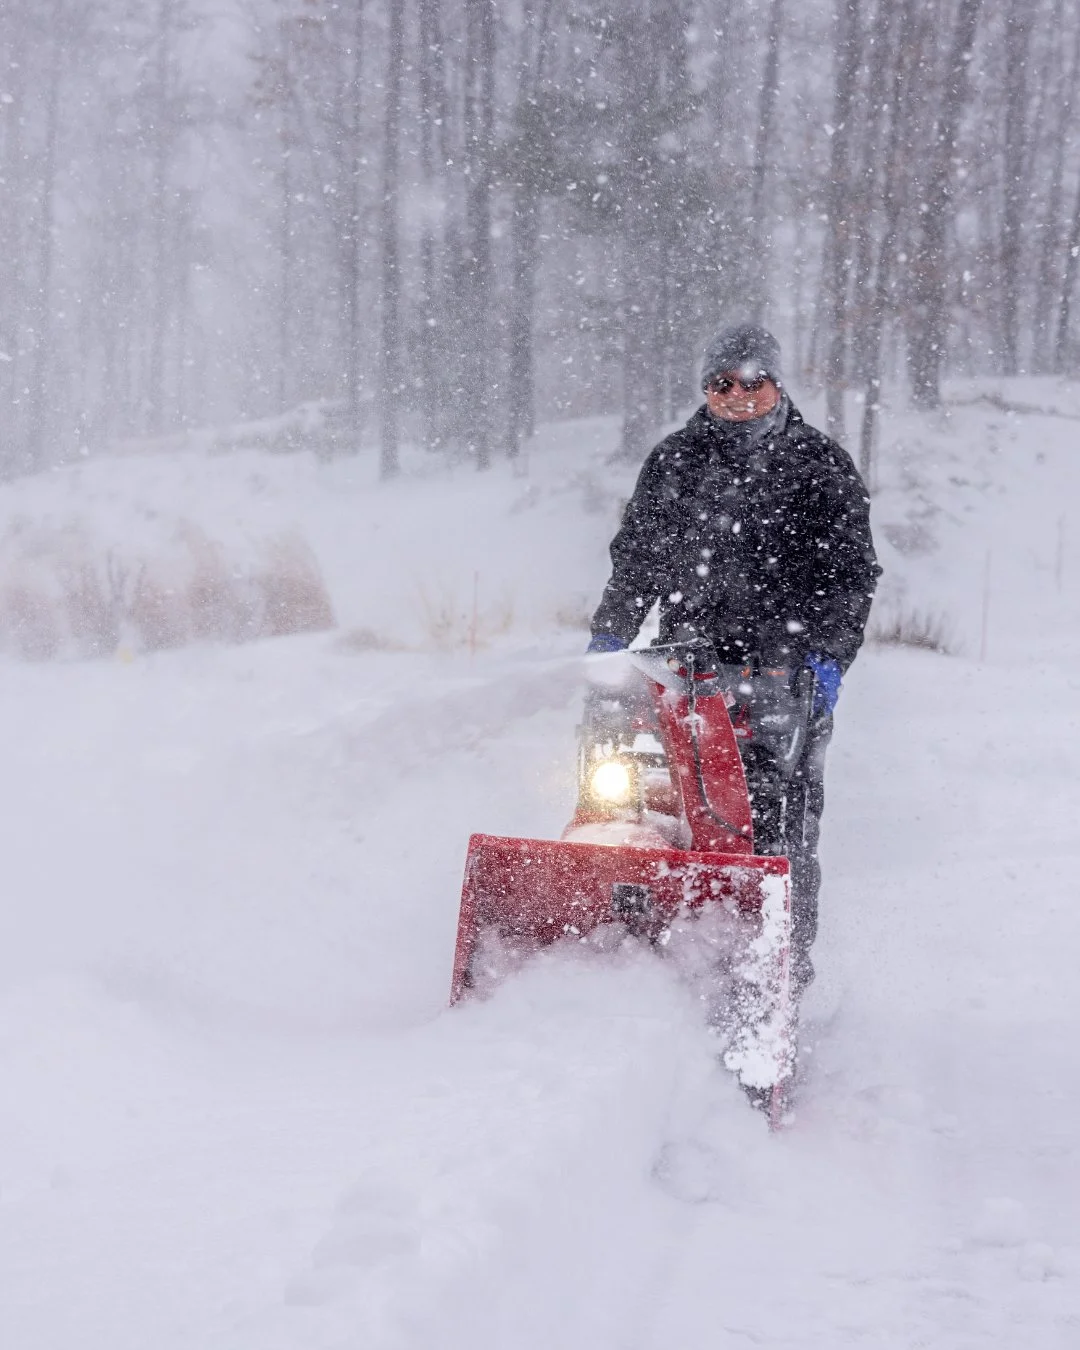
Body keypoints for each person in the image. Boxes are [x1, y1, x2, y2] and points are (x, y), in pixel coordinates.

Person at [588, 322, 881, 993]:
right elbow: (636, 565)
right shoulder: (675, 462)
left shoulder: (819, 464)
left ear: (776, 383)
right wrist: (608, 641)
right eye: (724, 383)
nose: (739, 394)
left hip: (786, 680)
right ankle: (655, 951)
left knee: (776, 830)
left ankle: (779, 973)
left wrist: (827, 660)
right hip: (688, 673)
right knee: (648, 802)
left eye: (754, 381)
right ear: (706, 389)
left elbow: (852, 576)